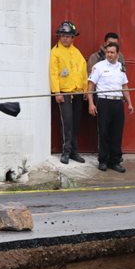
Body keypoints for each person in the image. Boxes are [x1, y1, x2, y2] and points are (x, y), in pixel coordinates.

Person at [87, 41, 134, 173]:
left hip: (118, 103)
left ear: (117, 54)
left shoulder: (121, 67)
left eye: (112, 52)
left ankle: (115, 161)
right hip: (104, 102)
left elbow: (124, 87)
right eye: (108, 52)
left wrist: (129, 103)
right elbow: (90, 86)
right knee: (103, 132)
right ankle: (103, 161)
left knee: (117, 134)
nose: (109, 55)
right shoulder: (98, 67)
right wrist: (91, 103)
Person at [49, 21, 88, 165]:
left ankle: (73, 152)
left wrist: (85, 90)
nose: (65, 38)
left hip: (77, 92)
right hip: (64, 93)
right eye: (63, 36)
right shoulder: (55, 52)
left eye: (68, 36)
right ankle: (65, 152)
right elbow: (53, 73)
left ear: (73, 38)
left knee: (76, 122)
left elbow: (83, 71)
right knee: (67, 122)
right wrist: (57, 92)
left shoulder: (76, 52)